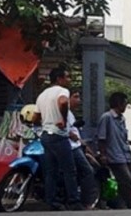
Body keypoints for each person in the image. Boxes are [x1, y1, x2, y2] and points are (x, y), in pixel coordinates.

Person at [33, 66, 81, 211]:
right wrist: (64, 119)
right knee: (69, 170)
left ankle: (51, 201)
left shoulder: (42, 95)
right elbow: (63, 102)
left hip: (45, 136)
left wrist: (39, 124)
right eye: (67, 77)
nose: (69, 80)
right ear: (59, 79)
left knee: (51, 172)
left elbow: (36, 117)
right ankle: (74, 201)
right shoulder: (62, 91)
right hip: (59, 136)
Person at [97, 92, 131, 209]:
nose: (125, 107)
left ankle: (122, 206)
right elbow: (101, 138)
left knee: (126, 183)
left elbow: (122, 138)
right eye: (125, 104)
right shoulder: (106, 118)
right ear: (118, 103)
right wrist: (103, 155)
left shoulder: (122, 119)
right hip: (115, 156)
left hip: (126, 154)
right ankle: (130, 205)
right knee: (127, 182)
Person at [67, 88, 98, 209]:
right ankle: (86, 202)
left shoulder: (70, 114)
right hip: (72, 147)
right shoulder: (65, 113)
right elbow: (69, 132)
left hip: (76, 146)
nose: (78, 100)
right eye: (75, 97)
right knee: (87, 171)